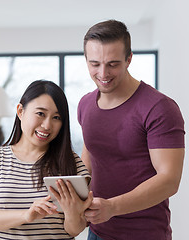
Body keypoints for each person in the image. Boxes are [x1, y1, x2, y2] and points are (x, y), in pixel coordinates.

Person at [78, 20, 185, 240]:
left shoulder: (159, 108)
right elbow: (89, 158)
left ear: (129, 59)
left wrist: (112, 207)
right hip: (97, 232)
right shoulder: (85, 105)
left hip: (145, 234)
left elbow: (169, 180)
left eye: (113, 64)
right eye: (95, 64)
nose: (103, 73)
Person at [0, 80, 93, 239]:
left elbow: (75, 229)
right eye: (40, 114)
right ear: (20, 111)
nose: (47, 125)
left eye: (56, 117)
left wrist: (72, 212)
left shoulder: (72, 162)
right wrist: (26, 215)